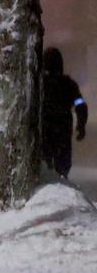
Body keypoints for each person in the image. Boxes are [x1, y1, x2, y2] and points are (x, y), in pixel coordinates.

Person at [41, 47, 88, 179]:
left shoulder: (39, 85)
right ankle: (61, 183)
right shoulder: (69, 85)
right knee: (62, 164)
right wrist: (81, 126)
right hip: (63, 129)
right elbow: (81, 105)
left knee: (45, 162)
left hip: (45, 129)